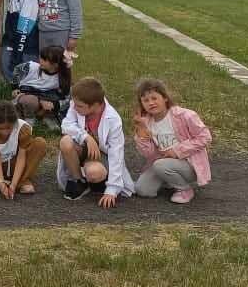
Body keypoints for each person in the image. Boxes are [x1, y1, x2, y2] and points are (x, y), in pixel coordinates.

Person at [56, 77, 135, 208]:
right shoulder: (77, 104)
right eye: (74, 104)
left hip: (100, 156)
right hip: (82, 149)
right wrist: (86, 137)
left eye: (79, 106)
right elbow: (66, 125)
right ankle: (79, 181)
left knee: (94, 173)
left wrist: (112, 190)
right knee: (65, 141)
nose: (74, 108)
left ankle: (97, 182)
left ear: (96, 105)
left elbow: (116, 153)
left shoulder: (113, 120)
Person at [131, 79, 213, 204]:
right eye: (146, 100)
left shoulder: (184, 115)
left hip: (189, 165)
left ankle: (184, 189)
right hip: (162, 163)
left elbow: (205, 136)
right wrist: (141, 134)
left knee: (160, 165)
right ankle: (169, 180)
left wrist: (176, 151)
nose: (151, 103)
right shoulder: (147, 122)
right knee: (142, 190)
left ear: (165, 98)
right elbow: (150, 154)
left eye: (154, 98)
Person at [0, 100, 48, 196]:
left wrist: (13, 185)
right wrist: (1, 182)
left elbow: (21, 157)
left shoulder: (23, 129)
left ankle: (22, 181)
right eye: (0, 129)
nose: (5, 132)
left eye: (8, 128)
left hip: (16, 164)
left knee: (40, 143)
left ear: (15, 122)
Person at [13, 45, 71, 127]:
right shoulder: (31, 67)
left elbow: (66, 97)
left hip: (46, 99)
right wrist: (15, 88)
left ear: (56, 64)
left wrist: (54, 105)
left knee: (61, 100)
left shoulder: (61, 78)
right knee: (30, 100)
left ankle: (47, 116)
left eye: (44, 60)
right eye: (41, 58)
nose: (40, 61)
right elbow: (17, 70)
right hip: (27, 96)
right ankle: (29, 118)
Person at [2, 0, 39, 82]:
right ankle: (16, 90)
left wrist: (18, 51)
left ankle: (24, 92)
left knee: (22, 67)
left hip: (25, 40)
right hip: (11, 37)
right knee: (6, 65)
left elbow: (25, 25)